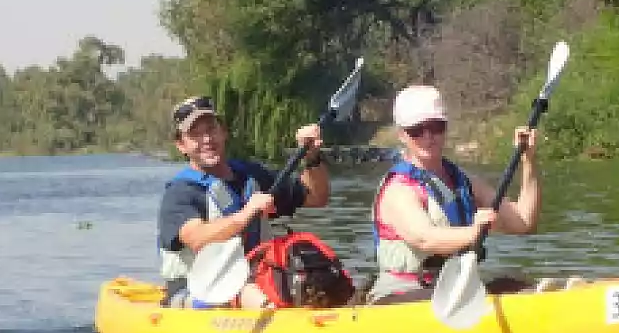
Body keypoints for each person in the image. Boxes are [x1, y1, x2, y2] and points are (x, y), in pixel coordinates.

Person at [368, 84, 541, 303]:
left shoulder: (464, 182)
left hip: (453, 290)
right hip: (400, 294)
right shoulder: (398, 189)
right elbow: (425, 238)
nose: (428, 136)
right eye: (417, 130)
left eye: (436, 127)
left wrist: (529, 161)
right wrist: (473, 232)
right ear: (402, 135)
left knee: (514, 285)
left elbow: (523, 222)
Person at [158, 95, 331, 308]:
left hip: (254, 277)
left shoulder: (251, 176)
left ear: (224, 132)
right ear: (181, 145)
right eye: (195, 135)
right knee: (247, 291)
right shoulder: (180, 193)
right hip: (198, 288)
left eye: (211, 129)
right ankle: (275, 314)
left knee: (313, 272)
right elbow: (196, 238)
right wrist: (247, 212)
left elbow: (316, 197)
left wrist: (312, 157)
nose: (207, 139)